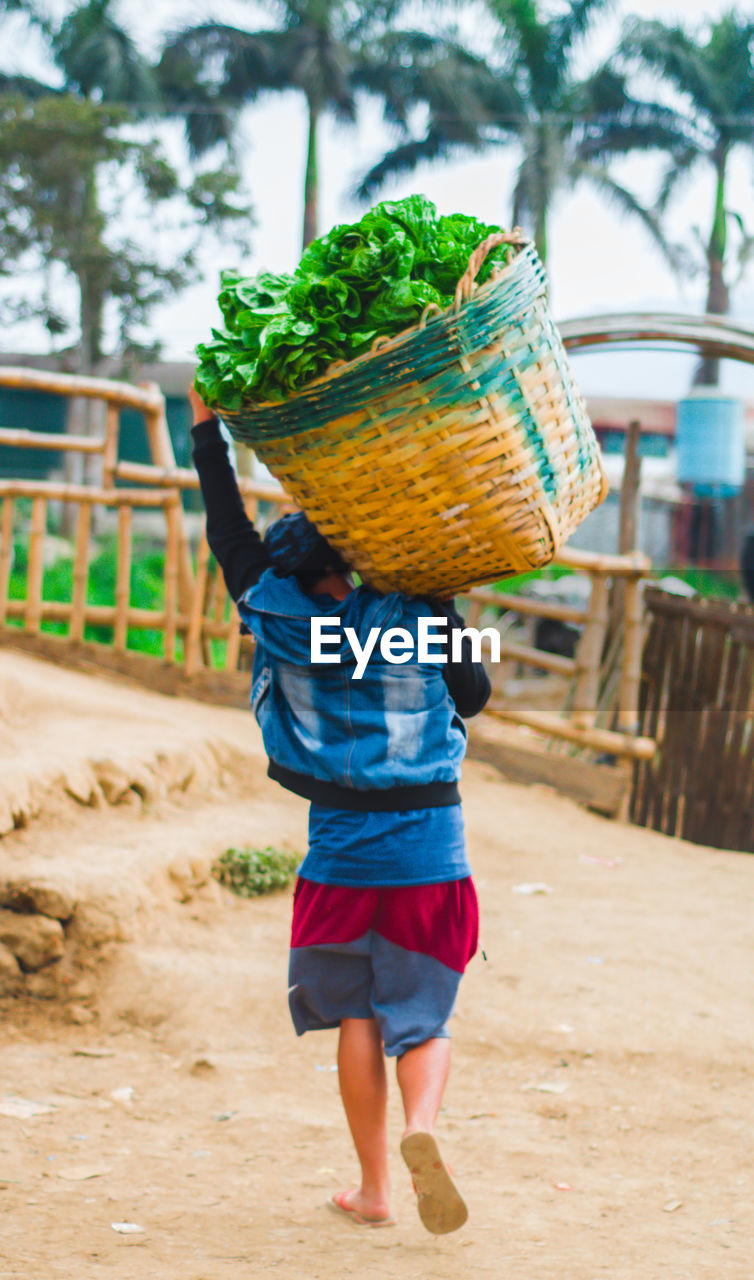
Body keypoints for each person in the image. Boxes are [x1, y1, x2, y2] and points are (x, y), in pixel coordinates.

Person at [189, 384, 491, 1234]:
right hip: (432, 847)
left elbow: (228, 531)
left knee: (357, 1014)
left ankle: (375, 1191)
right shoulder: (415, 609)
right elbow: (473, 695)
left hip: (339, 856)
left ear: (288, 574)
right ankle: (422, 1129)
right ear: (349, 565)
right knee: (423, 1015)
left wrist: (207, 428)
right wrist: (440, 602)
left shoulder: (272, 615)